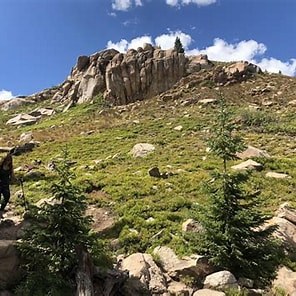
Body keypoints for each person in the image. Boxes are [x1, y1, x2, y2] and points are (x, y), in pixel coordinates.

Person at [0, 151, 16, 217]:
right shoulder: (0, 166)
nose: (8, 162)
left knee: (7, 196)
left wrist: (17, 180)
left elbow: (12, 176)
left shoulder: (10, 167)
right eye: (7, 160)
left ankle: (1, 209)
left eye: (9, 160)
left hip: (6, 184)